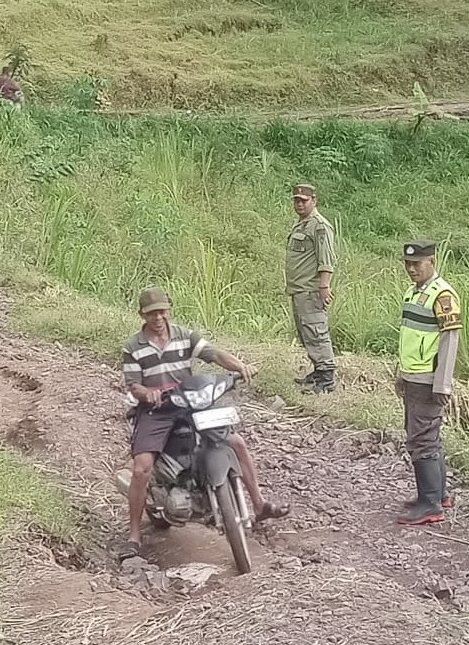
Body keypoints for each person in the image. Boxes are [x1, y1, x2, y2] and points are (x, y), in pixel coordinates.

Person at [119, 286, 290, 560]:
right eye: (152, 313)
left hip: (189, 402)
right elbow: (133, 385)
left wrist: (239, 367)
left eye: (162, 311)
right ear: (142, 314)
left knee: (236, 443)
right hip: (157, 410)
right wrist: (147, 394)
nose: (158, 317)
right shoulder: (133, 346)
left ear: (169, 310)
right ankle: (134, 534)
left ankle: (258, 504)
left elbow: (213, 354)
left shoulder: (184, 335)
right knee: (142, 468)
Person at [394, 239, 462, 525]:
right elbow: (409, 336)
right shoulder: (414, 293)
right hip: (413, 374)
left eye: (417, 264)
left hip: (427, 379)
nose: (411, 269)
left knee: (422, 440)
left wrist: (442, 383)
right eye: (408, 264)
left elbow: (450, 341)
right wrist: (400, 372)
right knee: (427, 436)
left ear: (432, 262)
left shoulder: (442, 295)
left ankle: (430, 502)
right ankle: (439, 494)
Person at [285, 184, 338, 392]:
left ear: (314, 200)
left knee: (316, 331)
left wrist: (324, 285)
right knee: (306, 332)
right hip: (299, 289)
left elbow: (326, 259)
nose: (299, 204)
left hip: (311, 289)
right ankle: (318, 371)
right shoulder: (302, 225)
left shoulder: (319, 226)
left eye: (303, 201)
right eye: (296, 200)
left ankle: (326, 377)